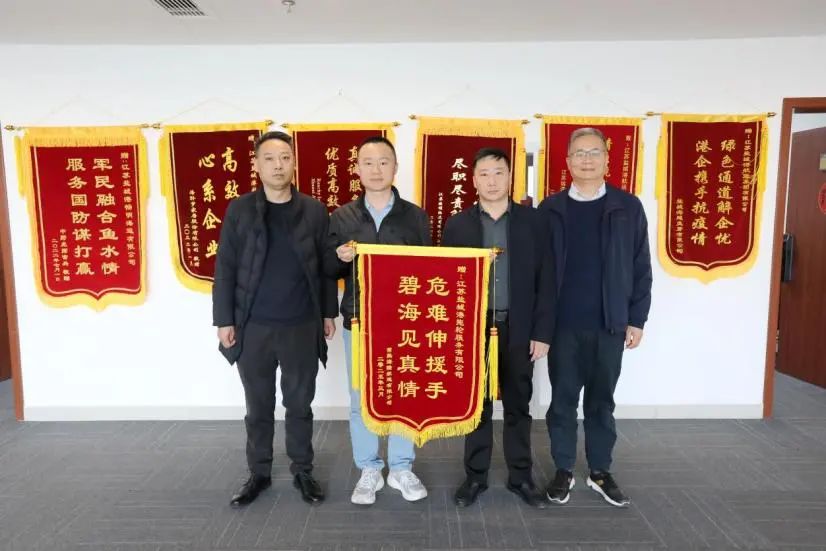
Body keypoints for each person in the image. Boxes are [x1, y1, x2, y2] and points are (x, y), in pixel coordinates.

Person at [212, 131, 338, 507]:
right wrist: (224, 320)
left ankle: (303, 470)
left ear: (294, 162)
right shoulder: (240, 210)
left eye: (284, 157)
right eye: (269, 158)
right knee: (258, 406)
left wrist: (327, 313)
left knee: (299, 404)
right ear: (257, 165)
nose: (278, 165)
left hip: (301, 324)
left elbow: (324, 269)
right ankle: (259, 473)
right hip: (254, 326)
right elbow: (226, 267)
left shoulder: (314, 211)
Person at [538, 127, 652, 507]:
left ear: (607, 159)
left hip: (610, 324)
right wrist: (540, 325)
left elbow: (641, 266)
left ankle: (600, 471)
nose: (586, 160)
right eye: (579, 153)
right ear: (568, 161)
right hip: (563, 326)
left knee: (602, 402)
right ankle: (564, 470)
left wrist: (636, 319)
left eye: (594, 152)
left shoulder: (627, 207)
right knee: (562, 400)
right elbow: (538, 271)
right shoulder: (550, 209)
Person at [442, 147, 555, 508]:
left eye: (499, 173)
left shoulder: (533, 222)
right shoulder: (457, 225)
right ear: (473, 180)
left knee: (519, 404)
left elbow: (547, 280)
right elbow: (446, 282)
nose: (492, 181)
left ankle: (521, 476)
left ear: (510, 177)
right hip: (473, 329)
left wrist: (542, 333)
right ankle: (475, 476)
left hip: (519, 328)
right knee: (476, 406)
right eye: (484, 174)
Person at [326, 136, 431, 506]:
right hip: (359, 321)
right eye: (368, 163)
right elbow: (327, 269)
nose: (376, 170)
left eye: (383, 162)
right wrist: (338, 257)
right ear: (357, 169)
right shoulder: (341, 217)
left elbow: (429, 271)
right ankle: (369, 468)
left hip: (404, 322)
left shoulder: (416, 216)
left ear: (395, 168)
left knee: (404, 393)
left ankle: (401, 467)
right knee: (361, 398)